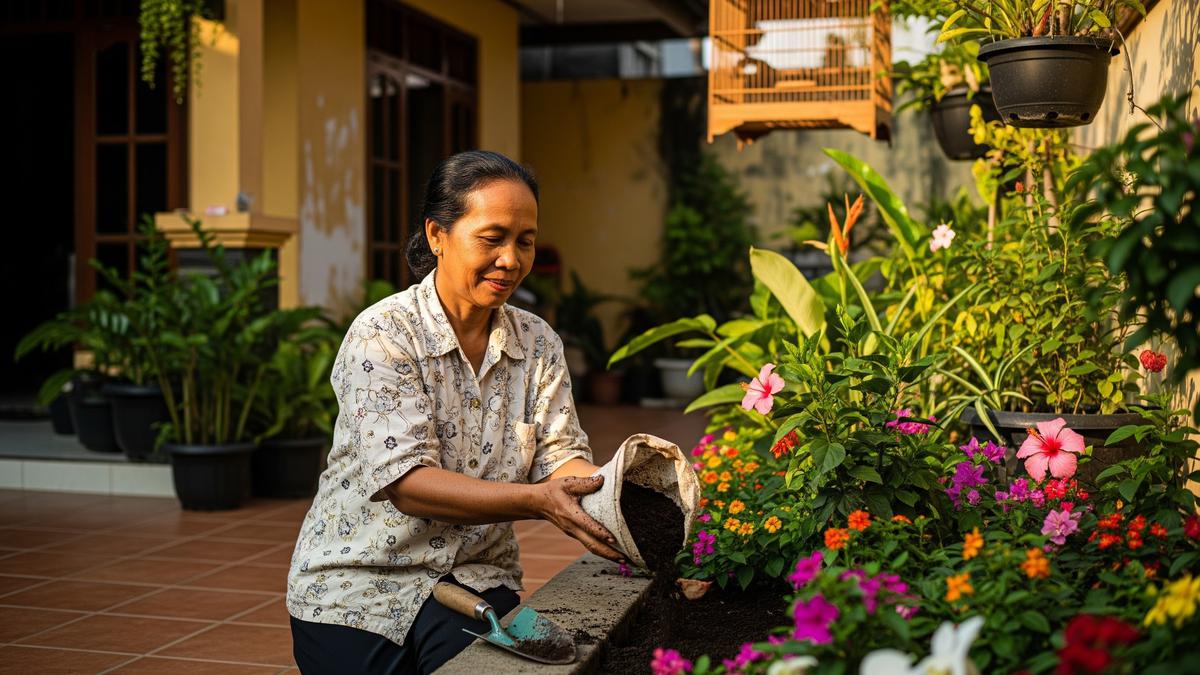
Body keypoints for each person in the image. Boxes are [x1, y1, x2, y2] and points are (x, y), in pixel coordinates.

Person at [287, 150, 624, 674]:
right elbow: (407, 482)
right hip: (354, 586)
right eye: (492, 238)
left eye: (525, 241)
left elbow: (563, 460)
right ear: (436, 235)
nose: (511, 259)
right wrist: (539, 502)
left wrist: (617, 496)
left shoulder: (537, 343)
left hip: (474, 578)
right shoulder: (383, 335)